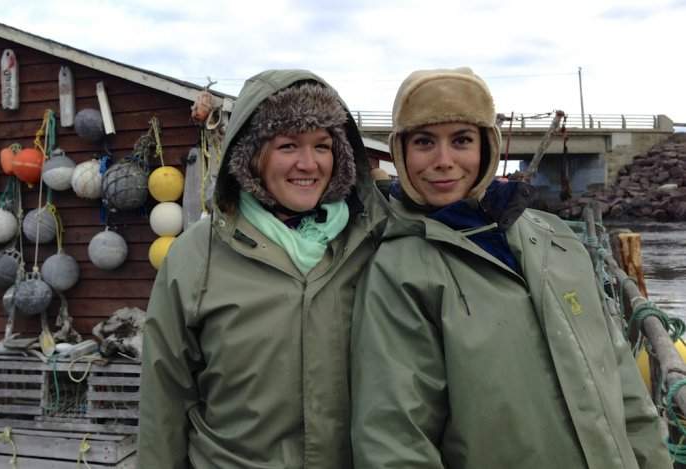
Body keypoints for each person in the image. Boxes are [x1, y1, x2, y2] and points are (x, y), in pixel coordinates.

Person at [350, 67, 670, 469]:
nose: (444, 161)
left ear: (486, 147)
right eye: (425, 142)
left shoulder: (557, 240)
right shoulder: (398, 270)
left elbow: (623, 382)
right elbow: (394, 439)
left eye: (462, 140)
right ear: (401, 153)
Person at [139, 69, 388, 469]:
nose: (308, 164)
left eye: (322, 146)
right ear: (251, 155)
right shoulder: (195, 256)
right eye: (288, 145)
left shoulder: (372, 244)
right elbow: (164, 397)